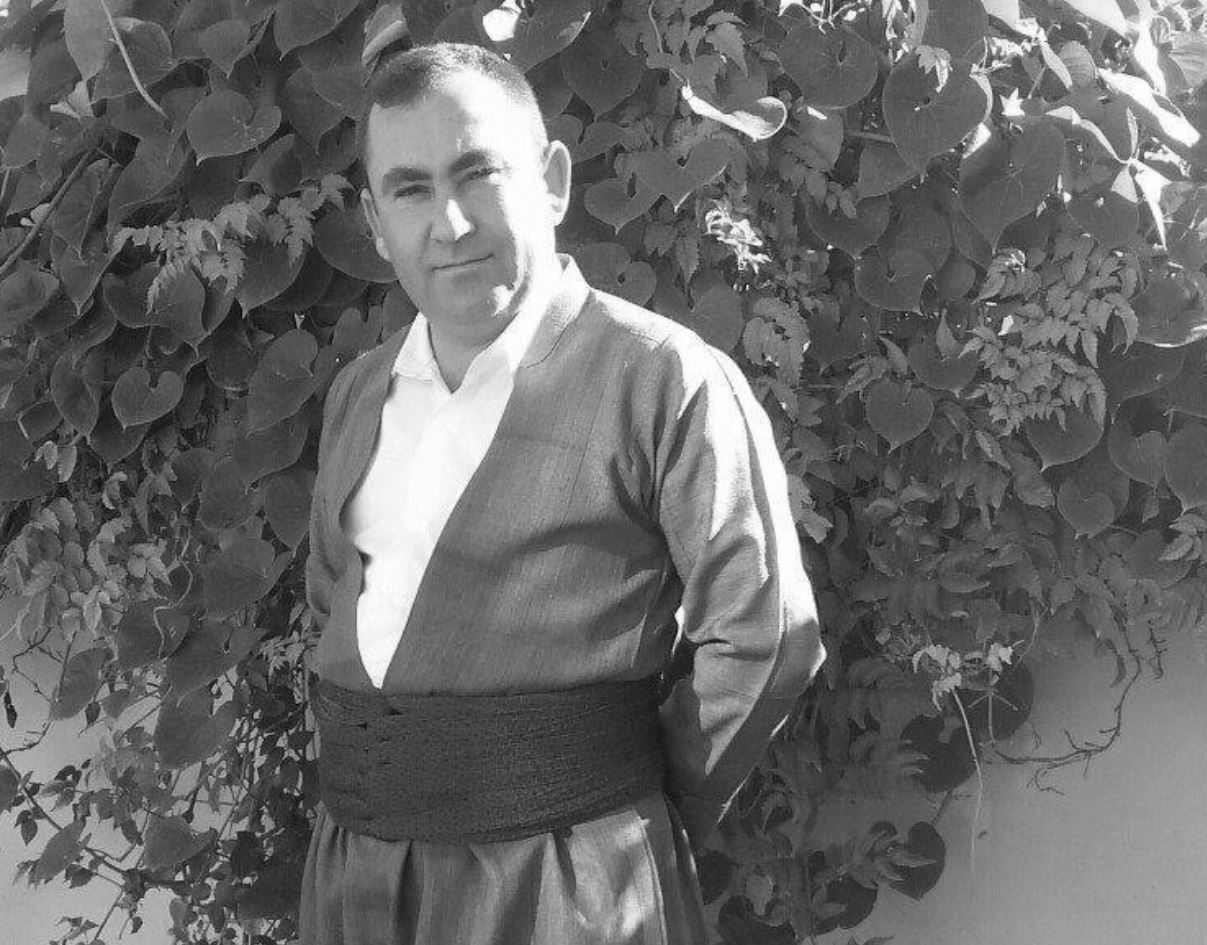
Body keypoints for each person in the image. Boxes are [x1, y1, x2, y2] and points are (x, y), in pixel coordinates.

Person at [299, 42, 825, 945]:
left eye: (478, 173)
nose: (450, 223)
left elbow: (766, 634)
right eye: (411, 190)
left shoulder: (663, 378)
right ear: (376, 223)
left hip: (569, 888)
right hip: (355, 885)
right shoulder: (358, 393)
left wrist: (618, 801)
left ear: (550, 181)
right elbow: (326, 605)